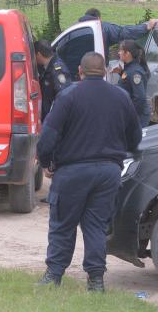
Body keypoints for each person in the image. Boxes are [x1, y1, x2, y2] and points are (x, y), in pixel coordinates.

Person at [36, 52, 143, 292]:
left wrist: (45, 162)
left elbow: (48, 136)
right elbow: (135, 137)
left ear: (80, 72)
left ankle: (53, 275)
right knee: (95, 226)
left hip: (72, 171)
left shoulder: (68, 96)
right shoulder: (121, 96)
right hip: (108, 172)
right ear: (105, 72)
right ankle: (96, 280)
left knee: (63, 224)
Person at [76, 8, 157, 61]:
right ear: (99, 18)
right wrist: (146, 27)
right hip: (98, 71)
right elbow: (123, 32)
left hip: (76, 73)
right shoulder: (104, 28)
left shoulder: (73, 30)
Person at [116, 40, 152, 127]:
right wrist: (121, 73)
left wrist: (131, 116)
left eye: (121, 50)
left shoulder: (135, 72)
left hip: (138, 117)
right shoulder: (129, 69)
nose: (119, 52)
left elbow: (140, 98)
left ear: (127, 53)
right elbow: (127, 83)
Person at [33, 40, 71, 121]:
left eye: (34, 56)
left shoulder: (58, 70)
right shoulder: (45, 67)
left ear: (39, 54)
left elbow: (64, 97)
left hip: (54, 120)